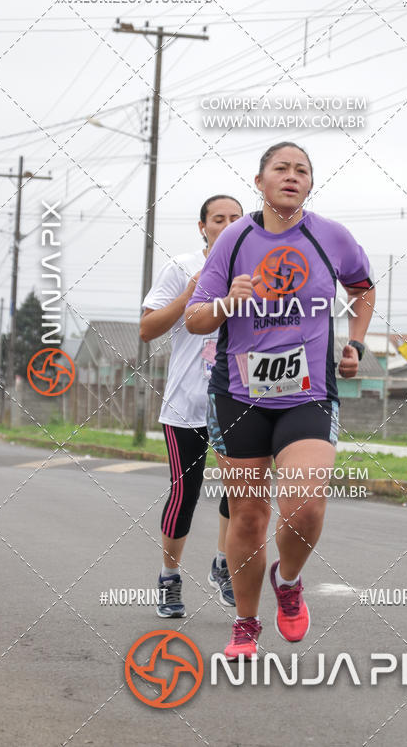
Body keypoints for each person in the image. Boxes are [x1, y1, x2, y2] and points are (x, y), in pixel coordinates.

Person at [185, 142, 375, 659]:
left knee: (306, 504)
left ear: (310, 185)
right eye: (281, 168)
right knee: (247, 515)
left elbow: (362, 289)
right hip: (239, 393)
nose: (291, 176)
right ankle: (246, 624)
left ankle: (288, 580)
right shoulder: (234, 239)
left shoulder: (330, 235)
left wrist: (355, 343)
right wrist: (227, 301)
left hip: (307, 394)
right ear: (260, 180)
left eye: (302, 170)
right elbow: (195, 318)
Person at [140, 194, 243, 617]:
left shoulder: (256, 273)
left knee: (240, 491)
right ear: (203, 227)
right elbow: (147, 329)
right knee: (186, 491)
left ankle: (224, 563)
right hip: (186, 403)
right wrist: (187, 295)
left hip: (238, 401)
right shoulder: (181, 266)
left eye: (236, 218)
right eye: (218, 218)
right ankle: (169, 577)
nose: (227, 224)